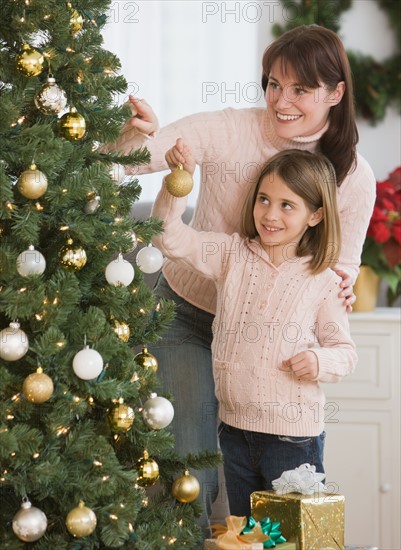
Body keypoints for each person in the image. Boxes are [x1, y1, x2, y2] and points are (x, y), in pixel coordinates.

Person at [106, 24, 375, 528]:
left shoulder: (353, 176)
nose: (282, 100)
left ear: (337, 93)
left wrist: (332, 317)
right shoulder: (230, 127)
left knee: (264, 496)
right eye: (274, 83)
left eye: (301, 89)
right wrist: (133, 135)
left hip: (267, 345)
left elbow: (341, 268)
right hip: (187, 314)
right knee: (189, 470)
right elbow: (133, 162)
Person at [152, 142, 358, 516]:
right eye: (264, 199)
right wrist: (175, 184)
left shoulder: (323, 281)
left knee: (291, 537)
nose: (270, 214)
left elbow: (345, 352)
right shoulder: (232, 255)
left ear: (315, 216)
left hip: (293, 438)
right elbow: (169, 238)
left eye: (286, 205)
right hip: (234, 431)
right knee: (248, 533)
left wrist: (318, 359)